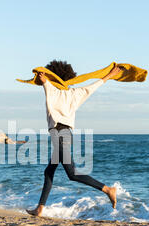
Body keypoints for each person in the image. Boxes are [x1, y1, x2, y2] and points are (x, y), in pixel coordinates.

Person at [26, 60, 121, 217]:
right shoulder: (75, 94)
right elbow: (93, 86)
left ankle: (107, 189)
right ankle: (40, 209)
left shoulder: (52, 91)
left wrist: (44, 81)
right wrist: (109, 76)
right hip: (65, 134)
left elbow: (47, 86)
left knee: (72, 173)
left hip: (59, 135)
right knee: (49, 171)